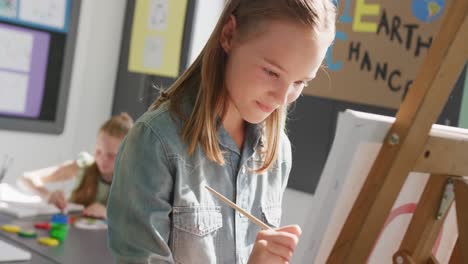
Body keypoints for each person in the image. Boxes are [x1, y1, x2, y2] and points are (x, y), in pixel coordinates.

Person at [107, 0, 336, 263]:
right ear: (228, 35)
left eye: (299, 82)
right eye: (272, 73)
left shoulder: (278, 151)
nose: (283, 98)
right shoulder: (155, 143)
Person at [21, 113, 134, 219]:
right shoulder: (85, 166)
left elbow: (140, 227)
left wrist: (108, 215)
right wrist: (48, 195)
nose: (102, 159)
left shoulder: (134, 183)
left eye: (111, 155)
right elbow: (26, 178)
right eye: (98, 151)